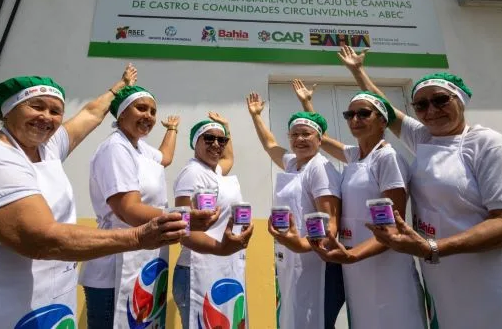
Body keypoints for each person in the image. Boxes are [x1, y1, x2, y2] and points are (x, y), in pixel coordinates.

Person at [0, 66, 188, 328]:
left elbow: (91, 113)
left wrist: (120, 86)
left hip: (40, 307)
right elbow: (40, 240)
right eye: (36, 106)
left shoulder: (46, 149)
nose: (46, 117)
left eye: (56, 111)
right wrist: (138, 237)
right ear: (8, 111)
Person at [338, 44, 502, 329]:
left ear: (460, 99)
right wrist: (358, 72)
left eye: (440, 100)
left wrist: (433, 247)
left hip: (496, 290)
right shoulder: (426, 139)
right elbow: (386, 109)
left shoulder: (489, 145)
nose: (431, 111)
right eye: (421, 105)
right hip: (445, 290)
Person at [78, 85, 217, 329]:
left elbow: (165, 157)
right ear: (121, 114)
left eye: (153, 111)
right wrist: (183, 218)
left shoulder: (139, 148)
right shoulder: (115, 148)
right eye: (141, 108)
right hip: (115, 270)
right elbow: (128, 210)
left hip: (145, 258)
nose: (149, 116)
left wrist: (172, 128)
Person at [292, 79, 426, 329]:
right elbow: (323, 138)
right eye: (350, 114)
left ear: (383, 120)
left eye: (364, 113)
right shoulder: (355, 156)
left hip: (385, 265)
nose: (355, 119)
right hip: (355, 266)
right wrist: (307, 104)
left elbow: (393, 228)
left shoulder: (387, 159)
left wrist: (353, 255)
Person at [246, 92, 341, 329]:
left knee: (313, 319)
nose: (299, 139)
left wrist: (299, 244)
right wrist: (256, 116)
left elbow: (330, 225)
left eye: (306, 134)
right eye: (294, 134)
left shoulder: (320, 169)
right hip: (291, 256)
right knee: (292, 317)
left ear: (319, 139)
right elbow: (270, 145)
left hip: (316, 262)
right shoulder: (293, 163)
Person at [172, 114, 254, 329]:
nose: (216, 144)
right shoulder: (191, 174)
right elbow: (183, 229)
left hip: (225, 266)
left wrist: (227, 128)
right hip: (198, 270)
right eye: (209, 139)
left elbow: (229, 159)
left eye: (221, 140)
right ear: (195, 143)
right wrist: (222, 248)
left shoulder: (215, 171)